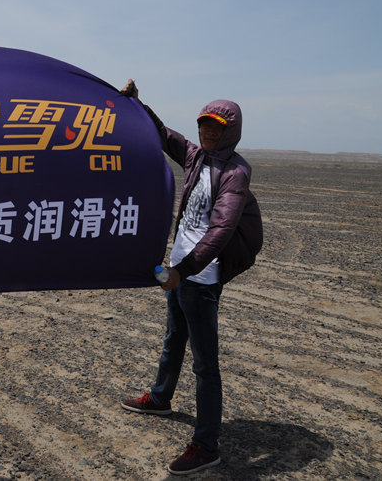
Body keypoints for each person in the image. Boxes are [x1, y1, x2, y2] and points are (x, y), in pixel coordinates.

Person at [118, 80, 261, 475]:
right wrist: (137, 103)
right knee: (172, 340)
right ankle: (160, 398)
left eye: (217, 127)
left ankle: (206, 445)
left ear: (231, 130)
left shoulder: (235, 172)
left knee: (205, 364)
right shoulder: (197, 156)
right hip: (179, 270)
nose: (208, 131)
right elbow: (164, 135)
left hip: (199, 277)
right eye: (204, 124)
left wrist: (182, 272)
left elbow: (221, 230)